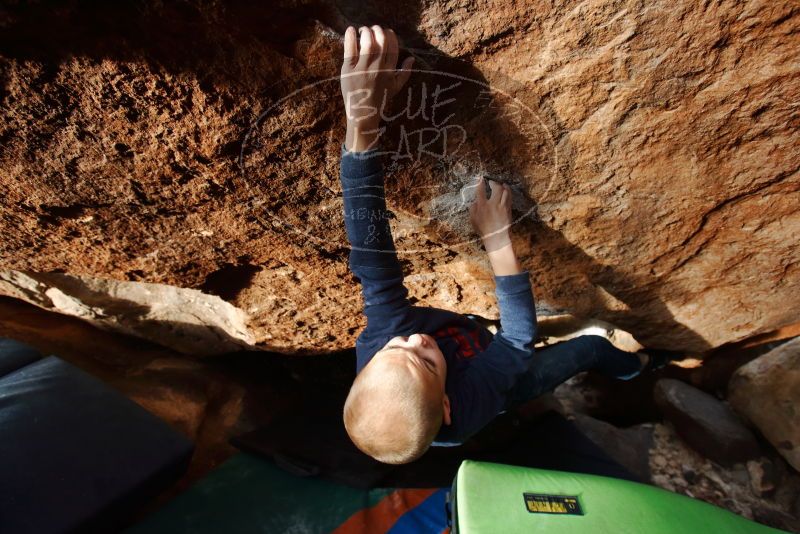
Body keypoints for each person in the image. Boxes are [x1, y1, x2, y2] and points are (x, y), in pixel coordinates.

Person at [339, 24, 669, 465]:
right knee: (588, 349)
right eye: (426, 359)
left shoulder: (383, 349)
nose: (414, 338)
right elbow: (515, 340)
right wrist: (497, 240)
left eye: (397, 347)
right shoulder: (472, 400)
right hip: (505, 380)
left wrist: (361, 128)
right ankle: (638, 368)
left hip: (463, 350)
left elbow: (373, 258)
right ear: (446, 404)